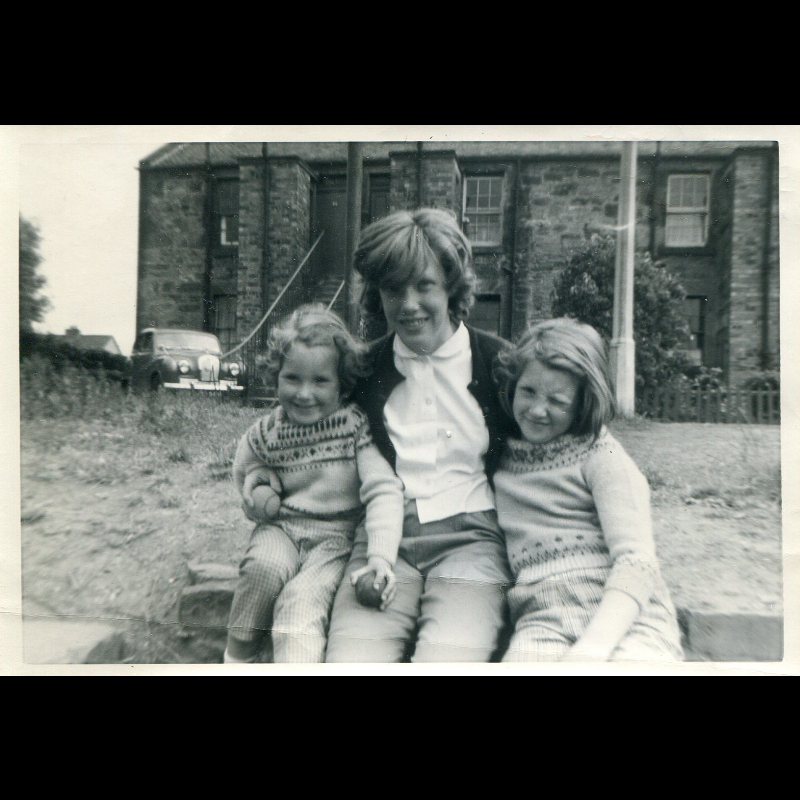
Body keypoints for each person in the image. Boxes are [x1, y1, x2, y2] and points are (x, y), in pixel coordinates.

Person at [324, 208, 517, 663]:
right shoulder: (362, 370)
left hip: (472, 542)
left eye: (424, 285)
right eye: (393, 289)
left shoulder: (500, 364)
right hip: (382, 545)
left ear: (451, 286)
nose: (409, 304)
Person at [492, 317, 684, 662]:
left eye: (557, 401)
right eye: (528, 391)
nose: (537, 410)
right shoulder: (501, 460)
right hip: (544, 620)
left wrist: (593, 647)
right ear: (513, 384)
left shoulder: (601, 455)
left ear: (583, 403)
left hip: (627, 616)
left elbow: (637, 561)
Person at [224, 305, 404, 663]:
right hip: (281, 529)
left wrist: (380, 556)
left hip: (334, 541)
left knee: (300, 604)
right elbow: (244, 468)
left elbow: (383, 488)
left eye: (320, 381)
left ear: (342, 382)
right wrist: (256, 483)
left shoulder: (354, 426)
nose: (304, 394)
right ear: (276, 375)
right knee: (263, 569)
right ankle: (237, 657)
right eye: (292, 378)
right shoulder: (267, 430)